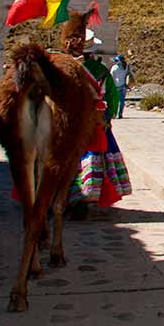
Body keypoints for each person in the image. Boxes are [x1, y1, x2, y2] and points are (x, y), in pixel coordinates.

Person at [60, 13, 132, 220]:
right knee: (96, 159)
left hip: (67, 124)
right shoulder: (100, 70)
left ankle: (63, 198)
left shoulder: (63, 68)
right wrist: (108, 118)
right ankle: (90, 196)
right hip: (94, 122)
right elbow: (111, 97)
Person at [110, 54, 133, 118]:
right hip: (124, 85)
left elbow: (111, 77)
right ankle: (120, 114)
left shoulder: (114, 67)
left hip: (116, 86)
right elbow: (130, 74)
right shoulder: (126, 67)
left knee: (115, 101)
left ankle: (114, 113)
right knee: (122, 101)